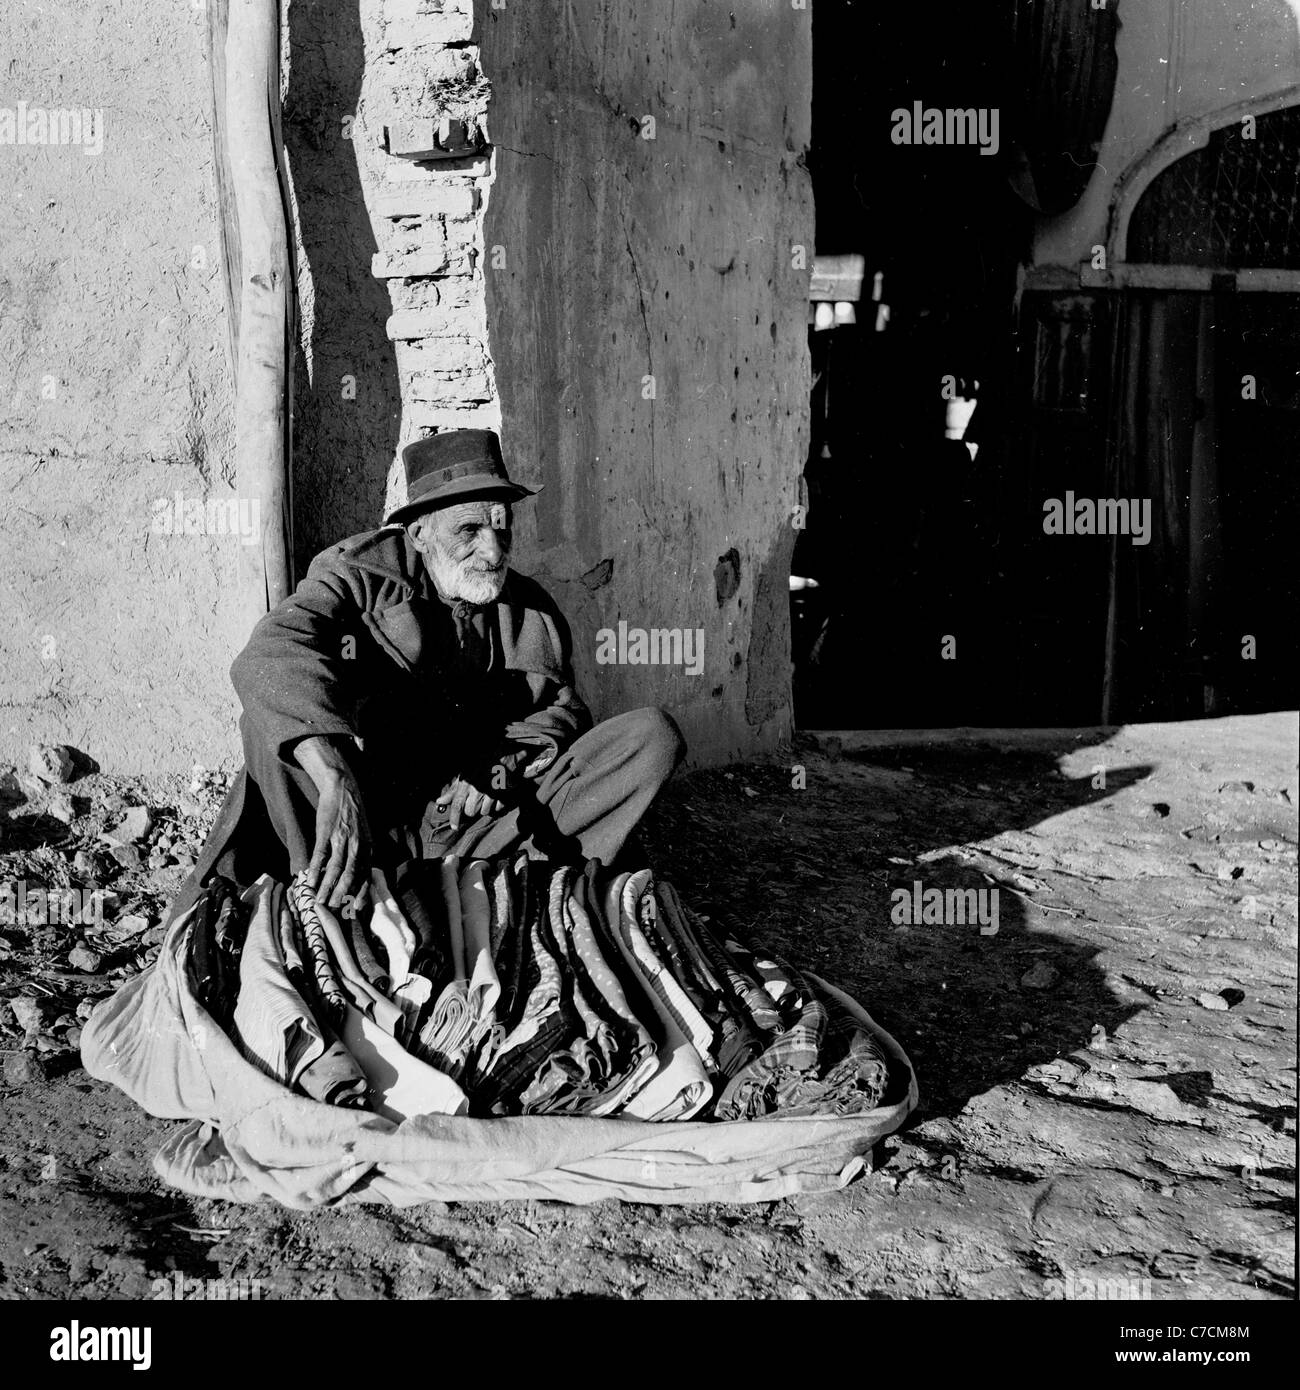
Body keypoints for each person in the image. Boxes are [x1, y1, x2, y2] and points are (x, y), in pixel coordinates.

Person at [169, 429, 684, 922]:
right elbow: (271, 652)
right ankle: (329, 902)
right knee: (269, 725)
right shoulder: (360, 577)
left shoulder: (531, 610)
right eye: (469, 530)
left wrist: (513, 755)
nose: (493, 550)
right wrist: (334, 778)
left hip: (475, 834)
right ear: (419, 532)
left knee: (651, 737)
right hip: (363, 826)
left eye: (501, 527)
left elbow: (562, 710)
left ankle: (484, 893)